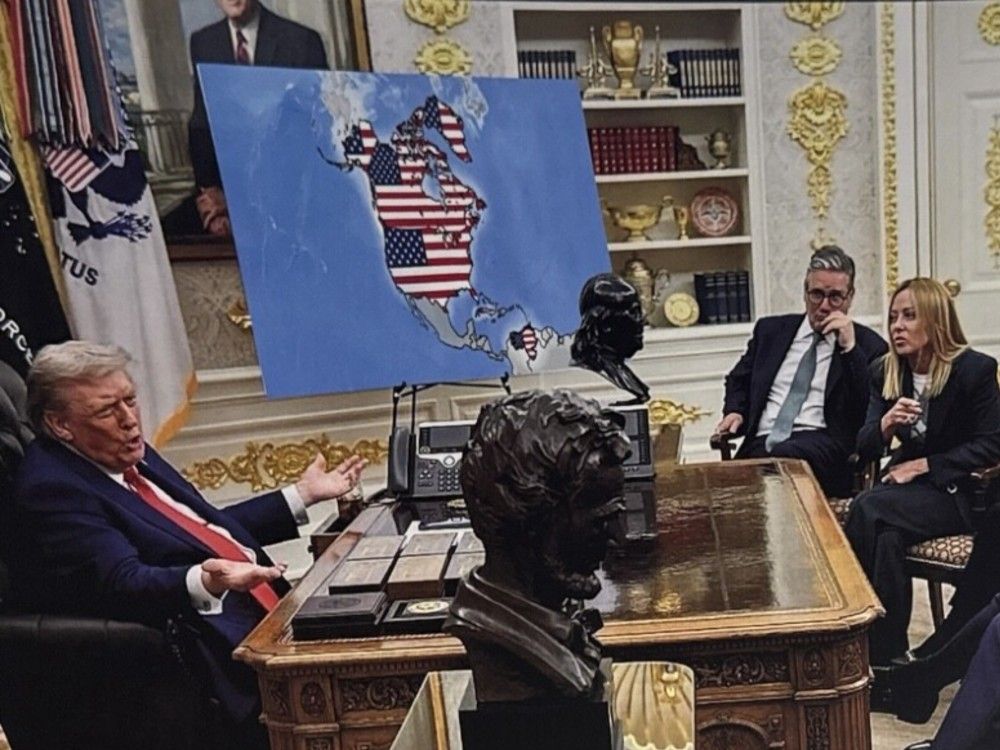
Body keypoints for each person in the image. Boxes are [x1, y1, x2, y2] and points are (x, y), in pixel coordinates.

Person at [2, 341, 365, 750]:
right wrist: (204, 582)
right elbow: (123, 580)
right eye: (107, 410)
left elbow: (201, 529)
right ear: (60, 424)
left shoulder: (123, 452)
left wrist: (300, 495)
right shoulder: (53, 488)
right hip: (223, 657)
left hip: (271, 613)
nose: (130, 420)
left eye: (131, 400)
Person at [845, 278, 1000, 666]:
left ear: (935, 321)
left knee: (866, 509)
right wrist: (887, 425)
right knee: (886, 537)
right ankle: (889, 659)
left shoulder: (973, 370)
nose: (897, 326)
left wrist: (928, 464)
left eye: (909, 316)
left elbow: (992, 443)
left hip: (959, 493)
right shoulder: (885, 372)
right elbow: (863, 444)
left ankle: (849, 633)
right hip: (907, 497)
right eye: (893, 317)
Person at [443, 389, 630, 703]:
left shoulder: (558, 611)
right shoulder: (502, 644)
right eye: (600, 519)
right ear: (527, 522)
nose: (617, 536)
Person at [714, 245, 888, 498]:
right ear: (805, 293)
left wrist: (849, 349)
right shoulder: (771, 331)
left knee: (771, 464)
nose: (825, 306)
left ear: (850, 297)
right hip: (762, 441)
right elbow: (738, 379)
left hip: (824, 446)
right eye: (817, 294)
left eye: (835, 297)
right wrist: (735, 411)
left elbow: (863, 409)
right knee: (725, 482)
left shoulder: (869, 346)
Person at [183, 0, 328, 236]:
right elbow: (201, 124)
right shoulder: (203, 42)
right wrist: (211, 198)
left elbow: (312, 137)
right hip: (226, 196)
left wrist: (241, 206)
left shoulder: (302, 42)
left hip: (290, 202)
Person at [570, 273, 650, 405]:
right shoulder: (591, 380)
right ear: (606, 325)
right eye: (634, 312)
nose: (641, 320)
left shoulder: (620, 372)